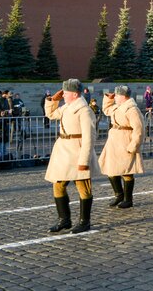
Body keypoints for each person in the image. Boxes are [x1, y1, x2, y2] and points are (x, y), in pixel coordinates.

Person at [44, 79, 98, 234]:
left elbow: (89, 137)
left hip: (78, 150)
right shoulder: (67, 107)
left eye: (66, 93)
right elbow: (51, 114)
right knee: (58, 184)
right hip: (64, 150)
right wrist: (53, 100)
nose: (63, 95)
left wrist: (84, 160)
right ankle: (64, 219)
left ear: (75, 94)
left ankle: (84, 221)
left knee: (83, 187)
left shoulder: (84, 110)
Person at [99, 86, 145, 209]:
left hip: (126, 141)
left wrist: (134, 145)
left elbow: (139, 129)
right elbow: (106, 110)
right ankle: (119, 194)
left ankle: (128, 199)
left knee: (126, 171)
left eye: (117, 95)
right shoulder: (117, 107)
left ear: (124, 96)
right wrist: (108, 99)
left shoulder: (132, 109)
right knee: (111, 169)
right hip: (114, 141)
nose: (115, 97)